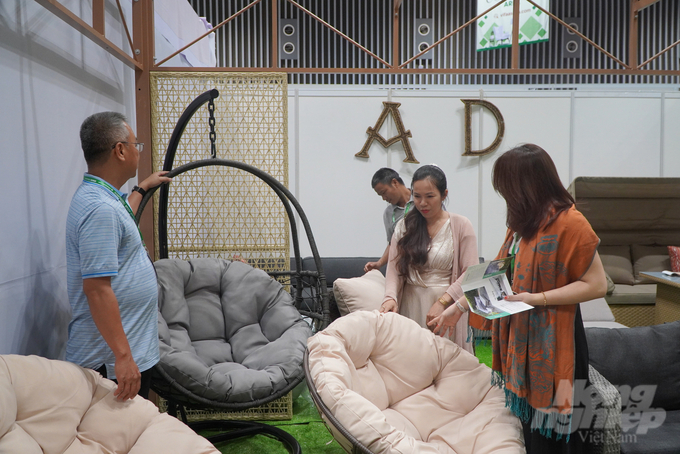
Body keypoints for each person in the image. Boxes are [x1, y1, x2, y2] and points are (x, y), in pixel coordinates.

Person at [429, 144, 607, 453]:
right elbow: (497, 273)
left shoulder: (571, 223)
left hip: (556, 337)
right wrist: (457, 307)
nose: (505, 195)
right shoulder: (522, 223)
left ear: (529, 185)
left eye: (508, 187)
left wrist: (537, 298)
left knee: (557, 431)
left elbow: (596, 285)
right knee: (530, 427)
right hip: (522, 337)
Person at [66, 112, 171, 401]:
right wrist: (123, 357)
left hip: (120, 354)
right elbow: (97, 289)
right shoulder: (100, 209)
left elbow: (122, 215)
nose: (139, 151)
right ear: (120, 150)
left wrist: (142, 187)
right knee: (114, 441)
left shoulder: (105, 198)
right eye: (136, 144)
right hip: (110, 363)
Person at [380, 165, 478, 353]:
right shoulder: (404, 226)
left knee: (447, 364)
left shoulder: (461, 225)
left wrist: (442, 302)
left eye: (429, 196)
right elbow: (394, 269)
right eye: (417, 196)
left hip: (447, 307)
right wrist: (389, 298)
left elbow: (471, 272)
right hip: (411, 303)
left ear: (444, 194)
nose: (422, 203)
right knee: (413, 362)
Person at [364, 168, 413, 273]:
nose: (384, 198)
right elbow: (393, 244)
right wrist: (379, 263)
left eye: (384, 192)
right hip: (405, 269)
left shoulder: (422, 200)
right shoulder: (388, 213)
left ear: (395, 182)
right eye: (380, 195)